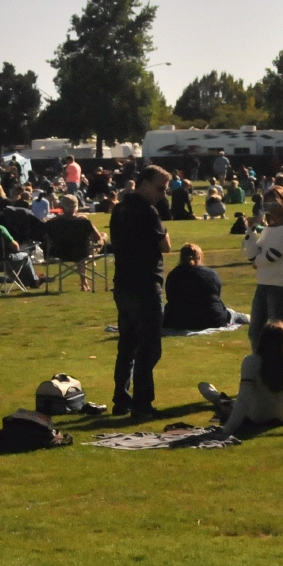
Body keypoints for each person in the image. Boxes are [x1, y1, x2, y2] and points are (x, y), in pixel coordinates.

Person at [197, 320, 283, 437]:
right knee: (231, 404)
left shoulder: (251, 362)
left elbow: (243, 402)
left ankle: (214, 396)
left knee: (226, 404)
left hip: (256, 416)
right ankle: (215, 395)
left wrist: (226, 431)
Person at [109, 165, 172, 417]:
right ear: (144, 183)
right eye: (159, 188)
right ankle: (142, 403)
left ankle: (121, 399)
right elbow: (165, 245)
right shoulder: (147, 211)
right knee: (149, 347)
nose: (163, 194)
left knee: (127, 345)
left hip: (123, 283)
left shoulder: (120, 208)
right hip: (145, 283)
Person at [243, 186, 283, 349]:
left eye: (274, 204)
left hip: (279, 285)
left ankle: (280, 364)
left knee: (277, 334)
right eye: (267, 205)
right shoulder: (269, 228)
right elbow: (252, 254)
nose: (271, 209)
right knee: (255, 331)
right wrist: (250, 230)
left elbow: (271, 256)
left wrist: (256, 261)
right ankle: (258, 362)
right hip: (263, 282)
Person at [163, 242, 248, 331]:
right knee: (233, 314)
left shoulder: (173, 275)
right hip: (211, 318)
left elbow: (170, 297)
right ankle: (255, 319)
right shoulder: (211, 274)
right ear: (199, 257)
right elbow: (217, 295)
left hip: (177, 320)